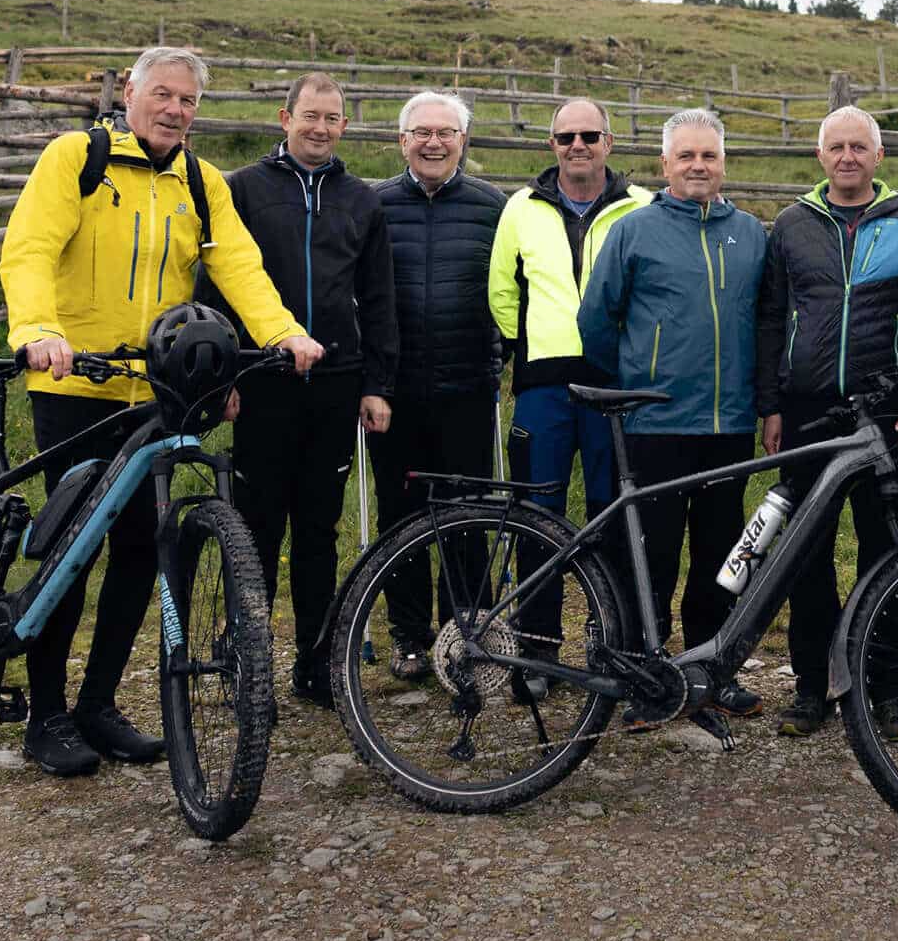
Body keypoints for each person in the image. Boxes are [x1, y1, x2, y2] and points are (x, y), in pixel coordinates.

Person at [0, 47, 321, 776]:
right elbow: (30, 249)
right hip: (76, 384)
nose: (175, 109)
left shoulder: (201, 183)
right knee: (71, 553)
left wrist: (281, 333)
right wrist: (37, 329)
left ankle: (98, 705)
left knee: (142, 551)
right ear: (131, 93)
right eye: (163, 94)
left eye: (188, 100)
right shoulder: (77, 159)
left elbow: (238, 267)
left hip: (158, 391)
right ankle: (46, 714)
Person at [754, 105, 898, 739]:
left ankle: (888, 691)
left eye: (859, 147)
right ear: (820, 156)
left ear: (878, 155)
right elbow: (770, 317)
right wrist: (770, 404)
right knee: (805, 554)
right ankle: (812, 686)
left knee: (886, 552)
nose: (847, 157)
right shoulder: (791, 225)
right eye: (836, 146)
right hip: (807, 411)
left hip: (882, 412)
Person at [576, 107, 769, 719]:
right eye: (686, 155)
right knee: (650, 556)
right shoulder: (633, 231)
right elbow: (595, 321)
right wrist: (638, 379)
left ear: (724, 162)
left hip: (728, 425)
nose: (698, 166)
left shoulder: (752, 234)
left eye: (708, 155)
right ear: (665, 163)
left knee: (721, 557)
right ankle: (645, 677)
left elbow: (765, 322)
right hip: (655, 423)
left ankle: (712, 672)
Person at [213, 71, 397, 705]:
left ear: (344, 125)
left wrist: (377, 384)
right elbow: (217, 285)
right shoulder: (243, 190)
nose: (321, 128)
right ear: (284, 117)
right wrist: (225, 377)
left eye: (332, 118)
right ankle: (248, 665)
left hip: (336, 385)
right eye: (310, 115)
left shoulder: (362, 200)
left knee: (319, 531)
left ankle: (315, 665)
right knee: (256, 530)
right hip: (262, 383)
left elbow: (379, 298)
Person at [368, 91, 510, 684]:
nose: (434, 142)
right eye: (422, 132)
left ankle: (466, 632)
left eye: (445, 132)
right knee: (400, 518)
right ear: (402, 141)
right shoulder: (374, 205)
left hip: (467, 388)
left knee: (466, 515)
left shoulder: (493, 206)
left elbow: (511, 290)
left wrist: (498, 359)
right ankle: (408, 635)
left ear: (462, 140)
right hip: (393, 394)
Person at [489, 98, 653, 529]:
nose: (577, 145)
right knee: (535, 513)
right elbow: (502, 291)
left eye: (589, 136)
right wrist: (531, 345)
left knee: (612, 511)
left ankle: (608, 579)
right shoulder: (521, 207)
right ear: (552, 144)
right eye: (566, 137)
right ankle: (540, 580)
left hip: (616, 385)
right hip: (543, 386)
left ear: (609, 142)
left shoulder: (643, 207)